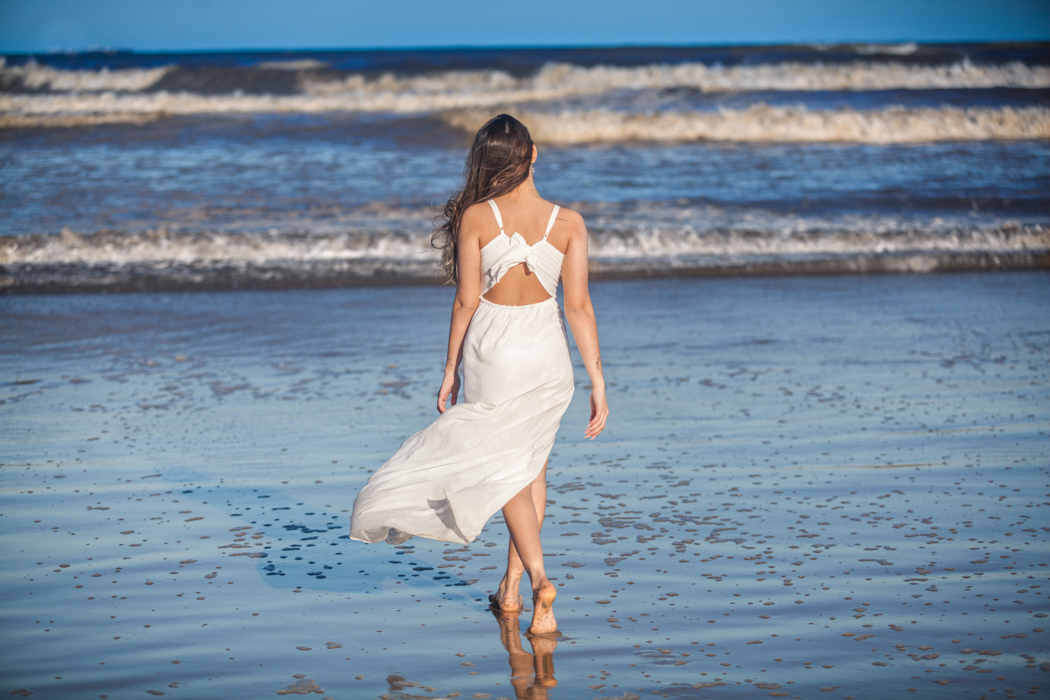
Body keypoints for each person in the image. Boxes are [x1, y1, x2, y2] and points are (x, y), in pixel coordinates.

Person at [350, 113, 608, 636]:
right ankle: (511, 591)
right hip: (548, 354)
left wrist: (449, 368)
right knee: (530, 470)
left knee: (510, 468)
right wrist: (598, 380)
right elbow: (578, 307)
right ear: (534, 155)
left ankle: (538, 579)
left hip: (495, 350)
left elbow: (467, 299)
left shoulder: (476, 218)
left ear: (488, 164)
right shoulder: (570, 222)